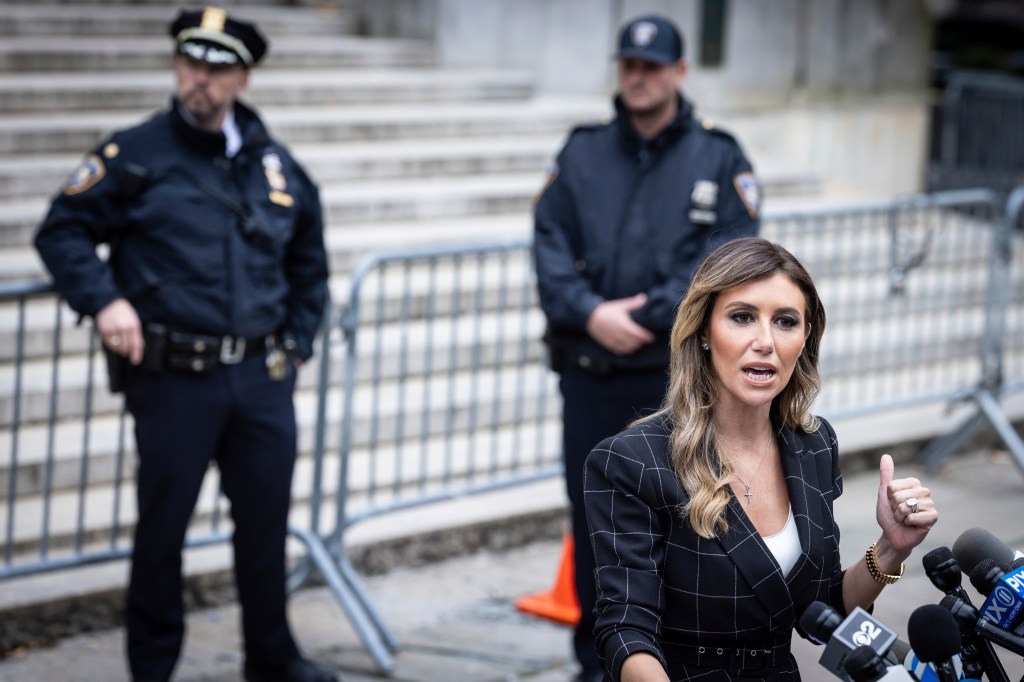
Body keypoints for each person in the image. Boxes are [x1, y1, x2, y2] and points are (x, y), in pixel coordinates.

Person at [33, 7, 335, 682]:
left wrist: (297, 345)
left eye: (217, 67)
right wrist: (105, 300)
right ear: (177, 65)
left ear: (243, 78)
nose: (200, 79)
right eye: (191, 63)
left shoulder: (275, 165)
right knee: (162, 533)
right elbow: (62, 230)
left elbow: (309, 263)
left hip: (261, 376)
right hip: (174, 380)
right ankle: (152, 667)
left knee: (264, 529)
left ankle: (272, 658)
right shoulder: (134, 153)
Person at [583, 237, 939, 681]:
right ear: (704, 332)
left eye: (786, 322)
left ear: (805, 338)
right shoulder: (632, 460)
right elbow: (625, 629)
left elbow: (821, 611)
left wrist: (890, 548)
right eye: (742, 317)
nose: (765, 341)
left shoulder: (814, 444)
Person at [532, 14, 761, 680]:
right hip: (591, 375)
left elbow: (726, 258)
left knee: (685, 523)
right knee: (595, 520)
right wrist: (589, 312)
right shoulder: (581, 151)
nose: (639, 77)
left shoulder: (719, 157)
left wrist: (652, 314)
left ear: (680, 73)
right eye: (629, 66)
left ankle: (673, 657)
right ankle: (598, 660)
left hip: (676, 383)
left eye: (653, 67)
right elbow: (548, 242)